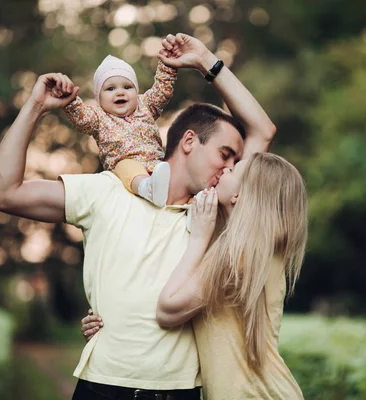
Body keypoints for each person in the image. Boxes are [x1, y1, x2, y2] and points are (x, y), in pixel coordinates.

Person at [0, 33, 276, 400]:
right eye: (226, 154)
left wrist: (204, 60)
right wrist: (36, 106)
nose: (233, 168)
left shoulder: (214, 211)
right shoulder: (105, 190)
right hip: (101, 386)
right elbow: (0, 192)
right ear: (188, 142)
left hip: (177, 391)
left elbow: (263, 130)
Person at [83, 151, 308, 399]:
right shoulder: (260, 249)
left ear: (238, 195)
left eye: (233, 171)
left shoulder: (239, 255)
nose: (224, 170)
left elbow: (167, 310)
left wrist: (199, 238)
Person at [63, 55, 176, 207]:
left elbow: (162, 90)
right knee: (126, 166)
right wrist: (70, 100)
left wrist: (167, 64)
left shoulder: (145, 106)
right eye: (110, 88)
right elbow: (81, 118)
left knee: (176, 172)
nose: (120, 92)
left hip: (156, 167)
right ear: (99, 99)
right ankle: (146, 187)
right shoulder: (99, 117)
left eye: (127, 87)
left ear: (136, 92)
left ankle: (191, 203)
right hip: (124, 175)